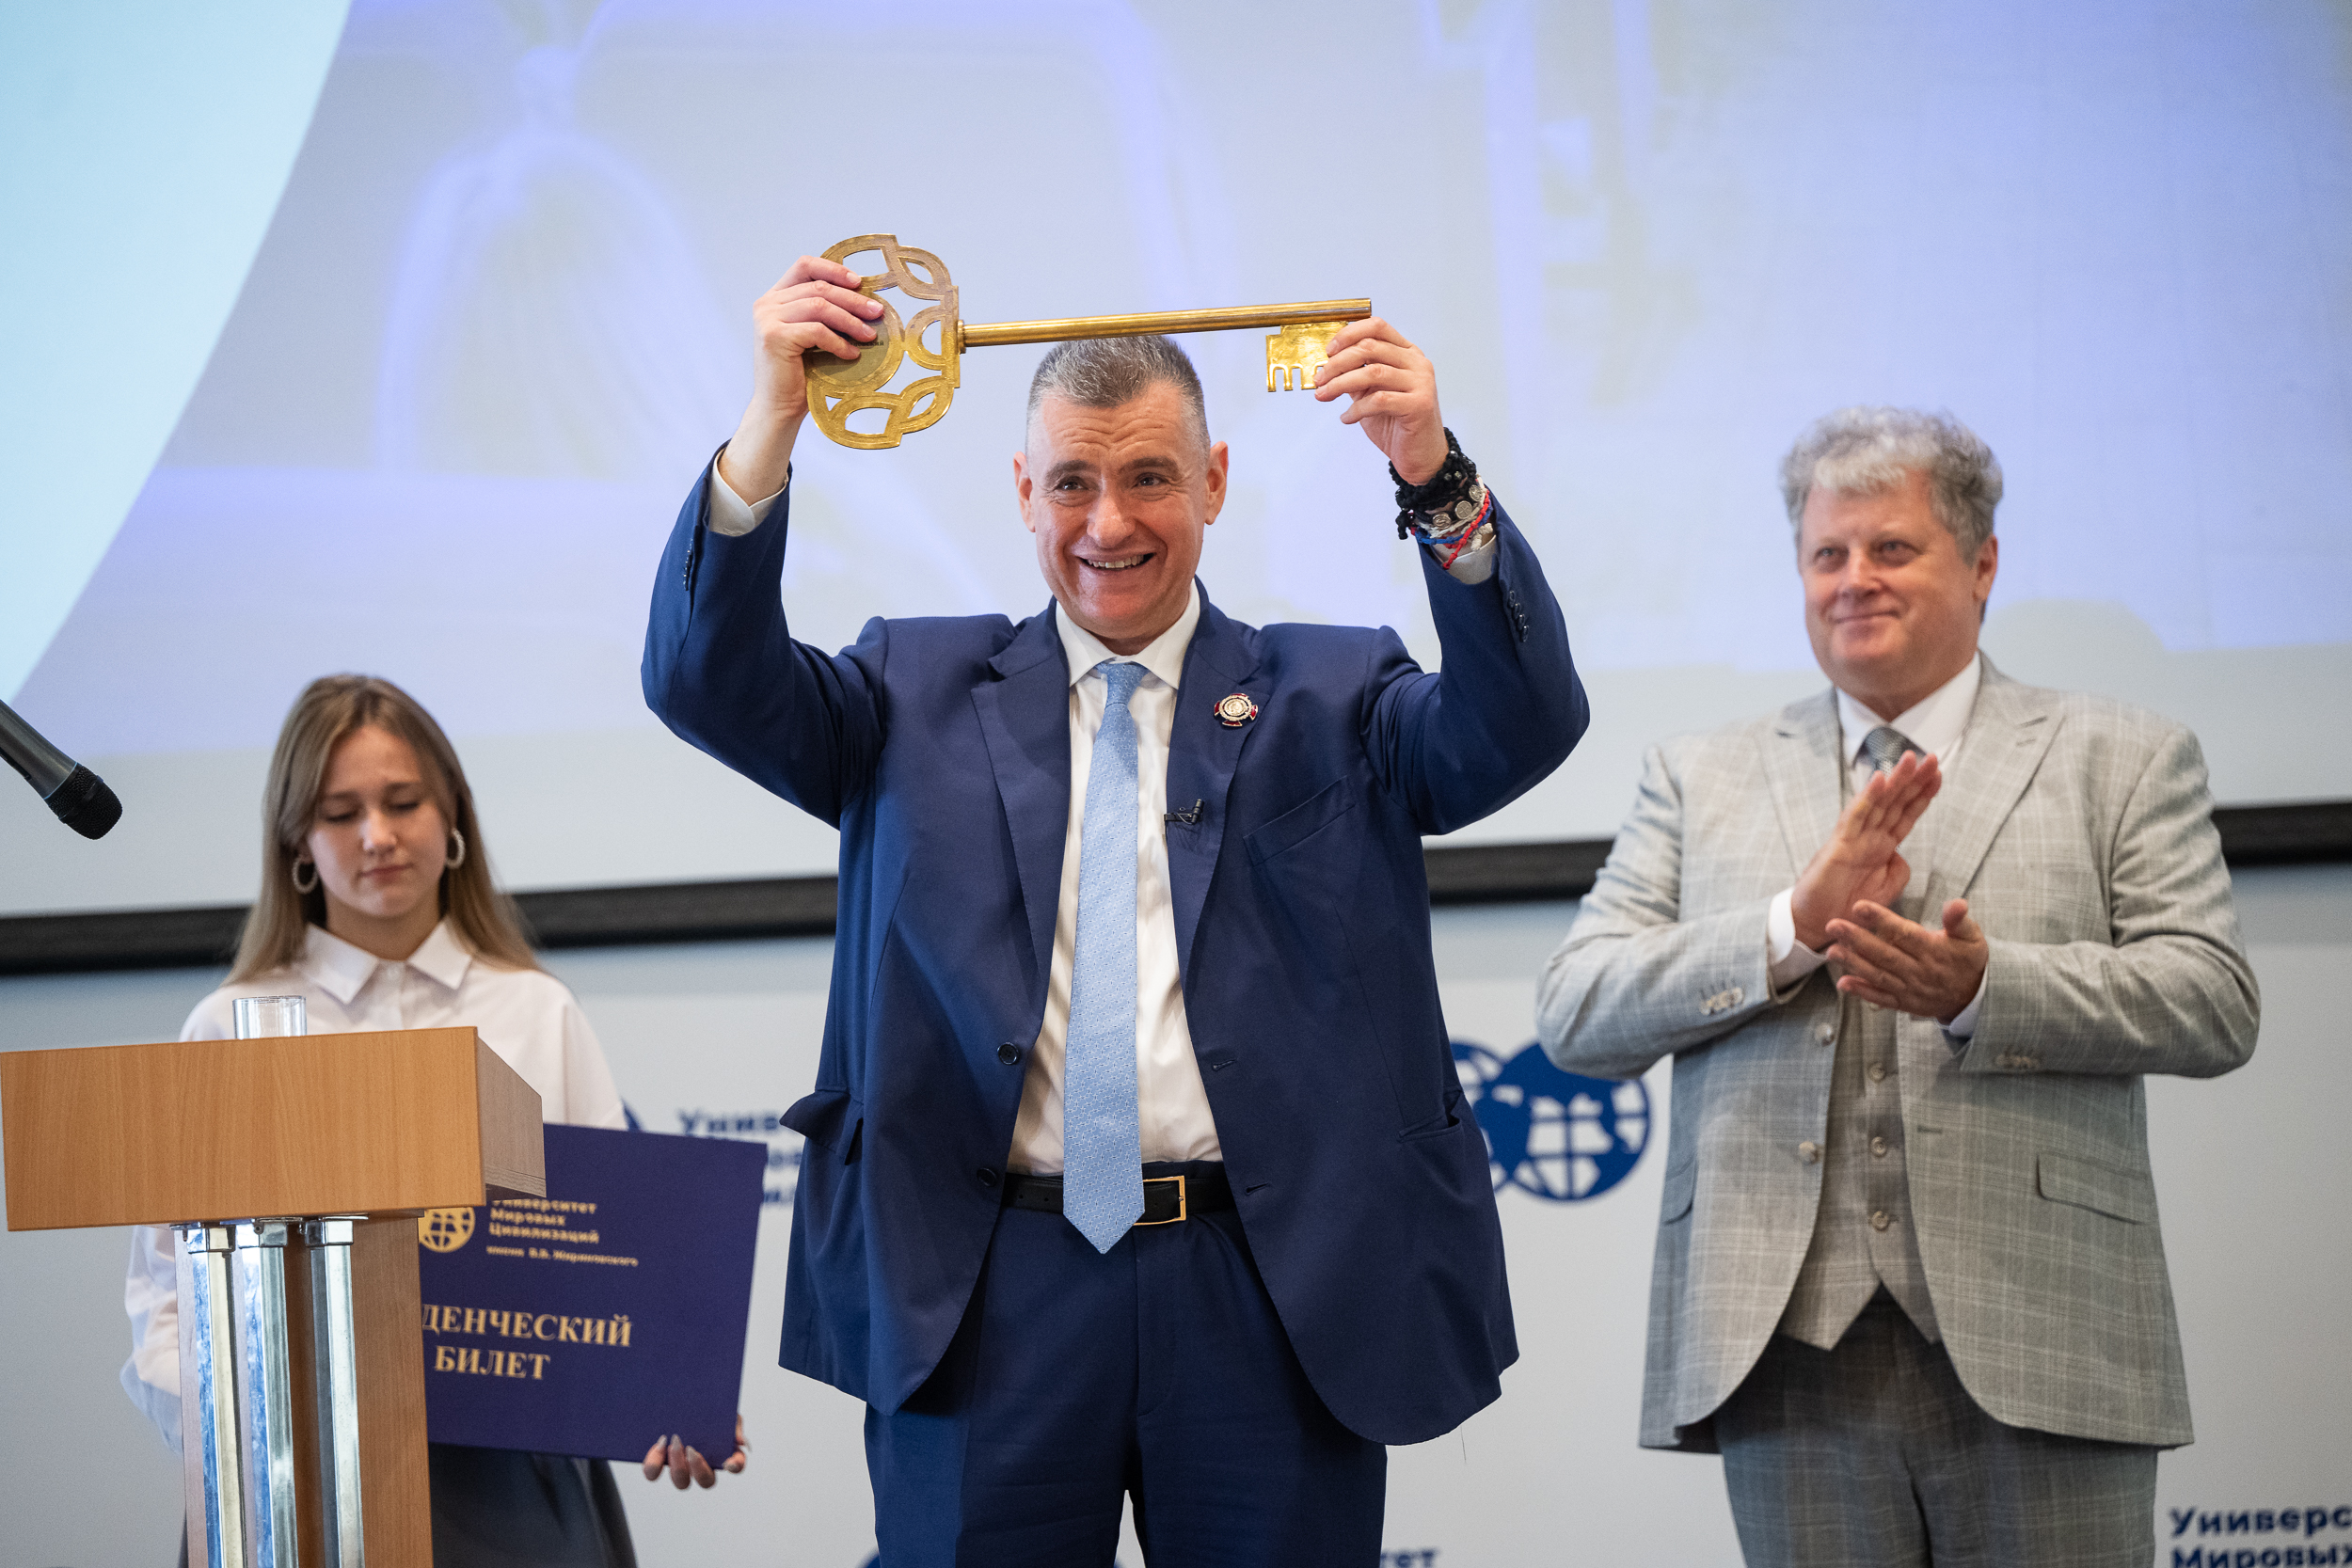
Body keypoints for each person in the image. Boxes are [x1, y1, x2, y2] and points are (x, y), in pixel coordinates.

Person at [642, 254, 1587, 1564]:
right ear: (1023, 492)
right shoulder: (906, 689)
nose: (1109, 522)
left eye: (1149, 477)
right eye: (1073, 482)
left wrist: (1435, 478)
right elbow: (703, 678)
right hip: (987, 1293)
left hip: (1268, 1287)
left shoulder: (1334, 693)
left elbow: (1521, 723)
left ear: (1213, 483)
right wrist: (770, 424)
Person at [1536, 407, 2261, 1567]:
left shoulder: (2120, 753)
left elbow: (2211, 997)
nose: (1852, 579)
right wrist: (1788, 928)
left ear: (1981, 564)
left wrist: (1984, 986)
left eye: (1890, 548)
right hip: (1784, 1350)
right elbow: (1575, 1010)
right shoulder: (1698, 773)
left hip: (2048, 1330)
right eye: (1826, 553)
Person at [119, 674, 746, 1568]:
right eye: (341, 813)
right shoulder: (230, 1026)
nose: (377, 835)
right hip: (294, 1493)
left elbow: (620, 1265)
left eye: (403, 802)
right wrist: (252, 1429)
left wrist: (670, 1395)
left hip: (516, 1489)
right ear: (298, 841)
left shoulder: (536, 1010)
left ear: (452, 815)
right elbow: (168, 1307)